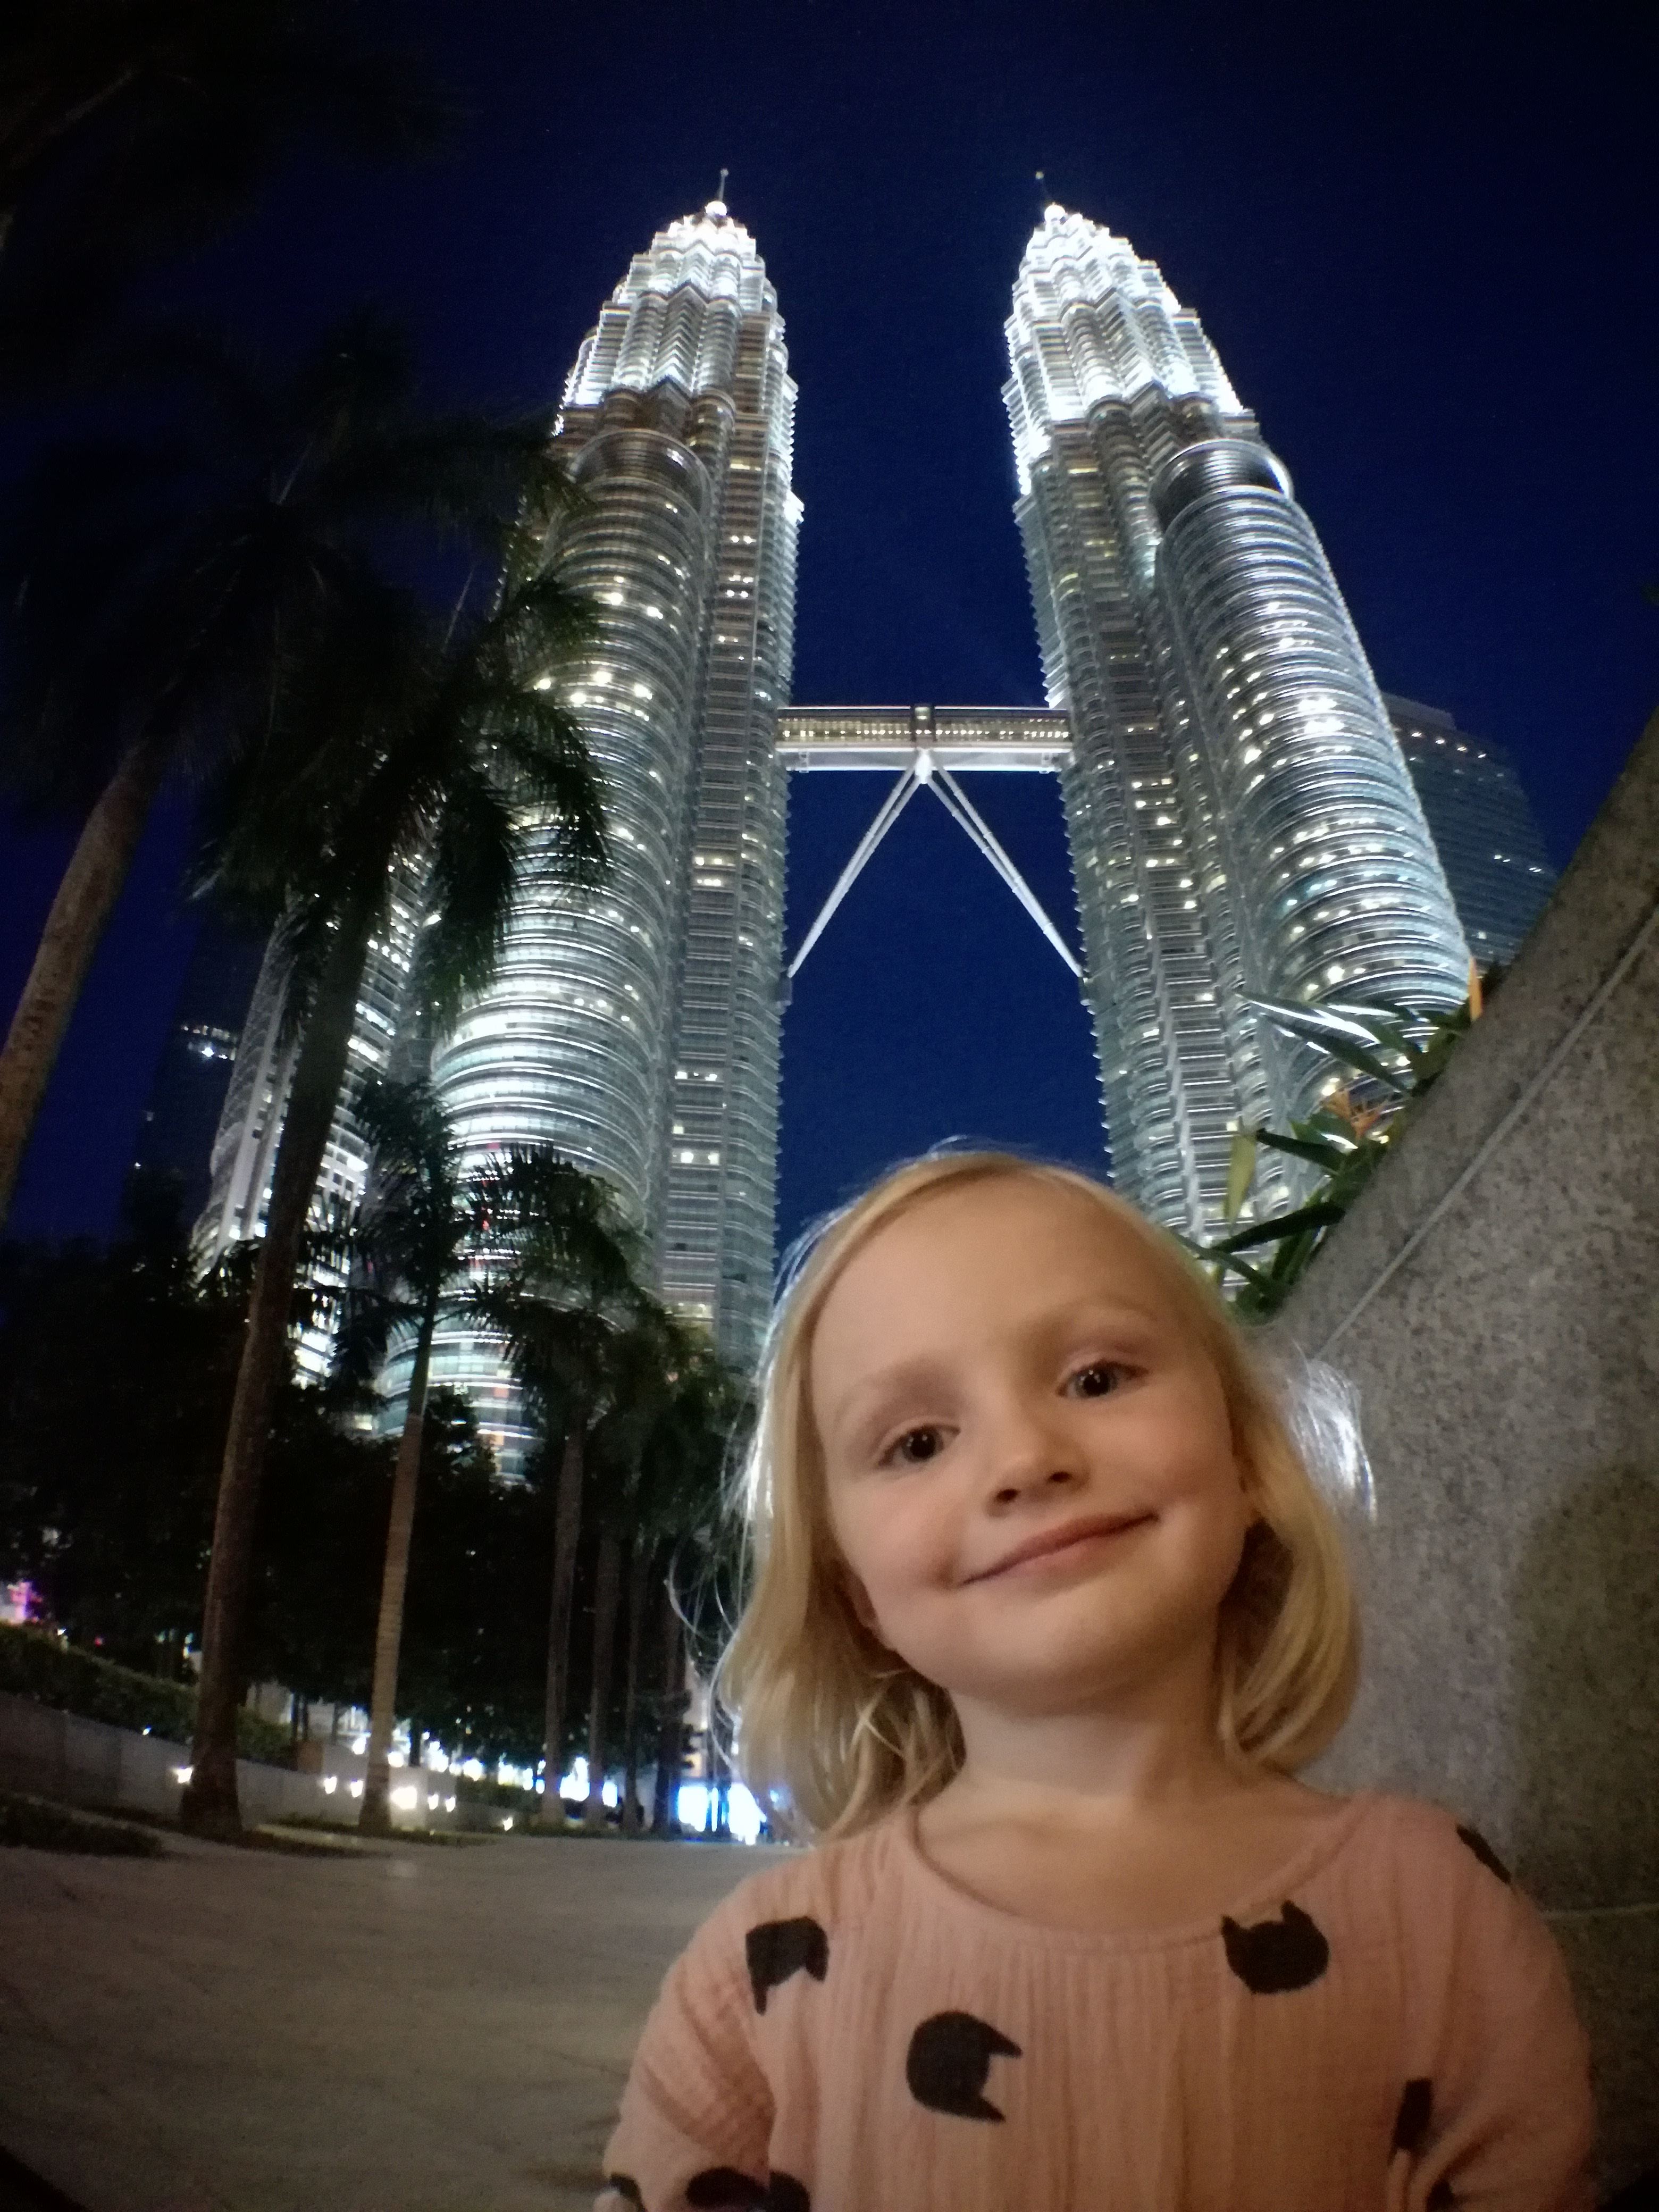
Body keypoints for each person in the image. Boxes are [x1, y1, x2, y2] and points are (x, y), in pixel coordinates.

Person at [597, 1152, 1593, 2211]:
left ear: (1247, 1456)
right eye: (919, 1442)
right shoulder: (761, 1971)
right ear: (859, 1596)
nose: (1026, 1458)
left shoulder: (1440, 1911)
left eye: (1097, 1379)